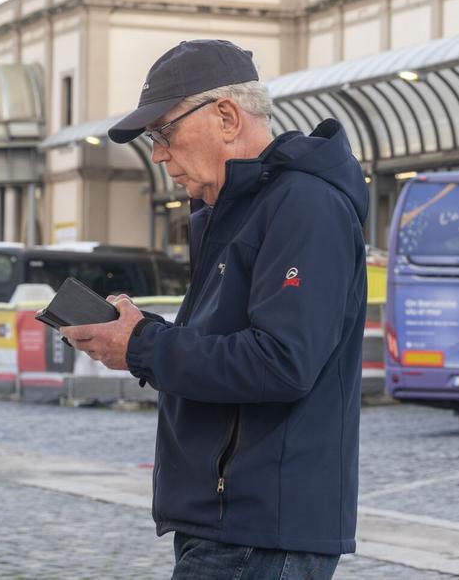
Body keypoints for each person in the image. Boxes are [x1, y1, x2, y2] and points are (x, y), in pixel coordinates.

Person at [60, 40, 366, 580]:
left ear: (226, 116)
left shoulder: (304, 204)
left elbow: (281, 361)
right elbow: (229, 343)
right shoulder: (232, 210)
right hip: (230, 519)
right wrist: (140, 337)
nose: (158, 154)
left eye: (164, 132)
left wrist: (144, 345)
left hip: (259, 524)